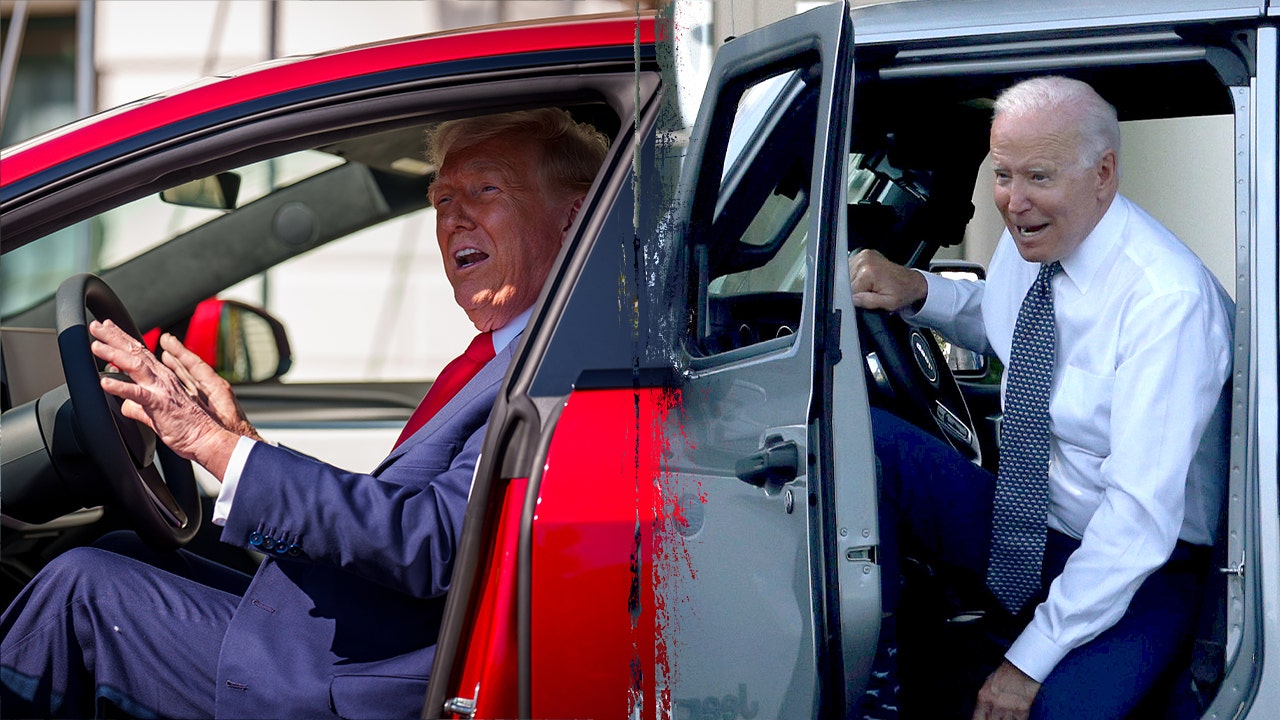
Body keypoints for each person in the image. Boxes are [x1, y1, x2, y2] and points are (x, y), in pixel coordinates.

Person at [0, 107, 609, 719]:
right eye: (441, 198)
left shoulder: (552, 372)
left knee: (80, 588)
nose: (453, 218)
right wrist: (240, 440)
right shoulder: (509, 358)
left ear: (575, 217)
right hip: (363, 642)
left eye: (486, 188)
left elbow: (428, 543)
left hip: (366, 681)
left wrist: (210, 444)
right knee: (124, 547)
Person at [850, 76, 1233, 719]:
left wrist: (1024, 666)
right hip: (1031, 522)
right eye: (1002, 175)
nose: (1013, 201)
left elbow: (1136, 526)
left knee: (1050, 712)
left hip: (1145, 569)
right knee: (869, 443)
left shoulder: (1167, 303)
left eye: (1037, 177)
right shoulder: (1036, 236)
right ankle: (874, 686)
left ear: (1104, 173)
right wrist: (918, 288)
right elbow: (1006, 320)